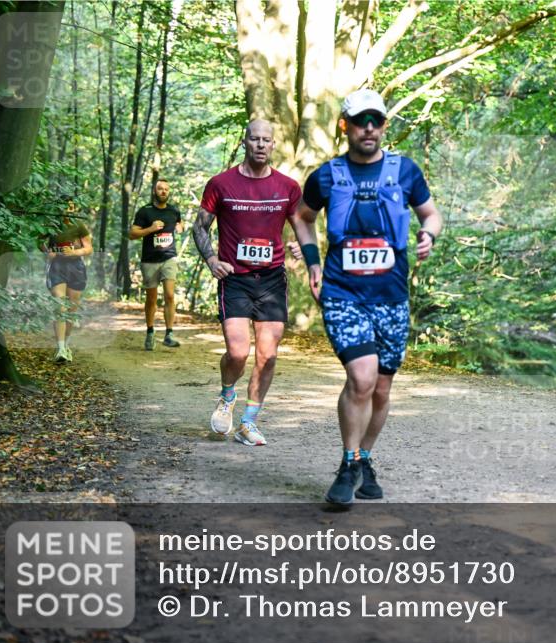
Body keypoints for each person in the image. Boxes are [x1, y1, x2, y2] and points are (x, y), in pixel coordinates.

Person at [297, 89, 443, 506]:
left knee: (381, 388)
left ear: (384, 126)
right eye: (361, 121)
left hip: (391, 296)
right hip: (343, 293)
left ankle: (365, 457)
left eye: (375, 121)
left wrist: (428, 235)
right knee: (360, 379)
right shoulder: (326, 176)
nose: (369, 128)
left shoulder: (405, 171)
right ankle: (346, 465)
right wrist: (312, 263)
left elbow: (431, 213)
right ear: (345, 125)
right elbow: (302, 219)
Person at [192, 119, 322, 447]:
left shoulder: (288, 187)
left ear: (273, 144)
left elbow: (304, 225)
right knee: (238, 352)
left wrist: (303, 251)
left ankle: (248, 422)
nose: (261, 145)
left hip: (272, 280)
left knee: (268, 354)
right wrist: (211, 260)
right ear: (245, 142)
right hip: (234, 279)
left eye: (267, 139)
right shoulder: (221, 184)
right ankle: (226, 397)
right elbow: (200, 227)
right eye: (255, 139)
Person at [130, 178, 183, 350]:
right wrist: (150, 229)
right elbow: (132, 233)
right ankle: (150, 332)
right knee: (151, 298)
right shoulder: (145, 212)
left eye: (166, 189)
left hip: (169, 257)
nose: (163, 192)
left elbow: (179, 222)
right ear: (155, 191)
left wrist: (180, 226)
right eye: (160, 189)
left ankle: (169, 334)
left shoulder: (174, 211)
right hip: (150, 260)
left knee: (169, 295)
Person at [43, 198, 93, 363]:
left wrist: (74, 253)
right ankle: (61, 349)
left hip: (76, 268)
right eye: (65, 207)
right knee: (60, 306)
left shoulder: (79, 225)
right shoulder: (52, 223)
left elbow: (89, 248)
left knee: (71, 309)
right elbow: (40, 242)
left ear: (74, 208)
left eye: (71, 207)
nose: (68, 210)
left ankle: (67, 344)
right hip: (57, 267)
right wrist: (48, 251)